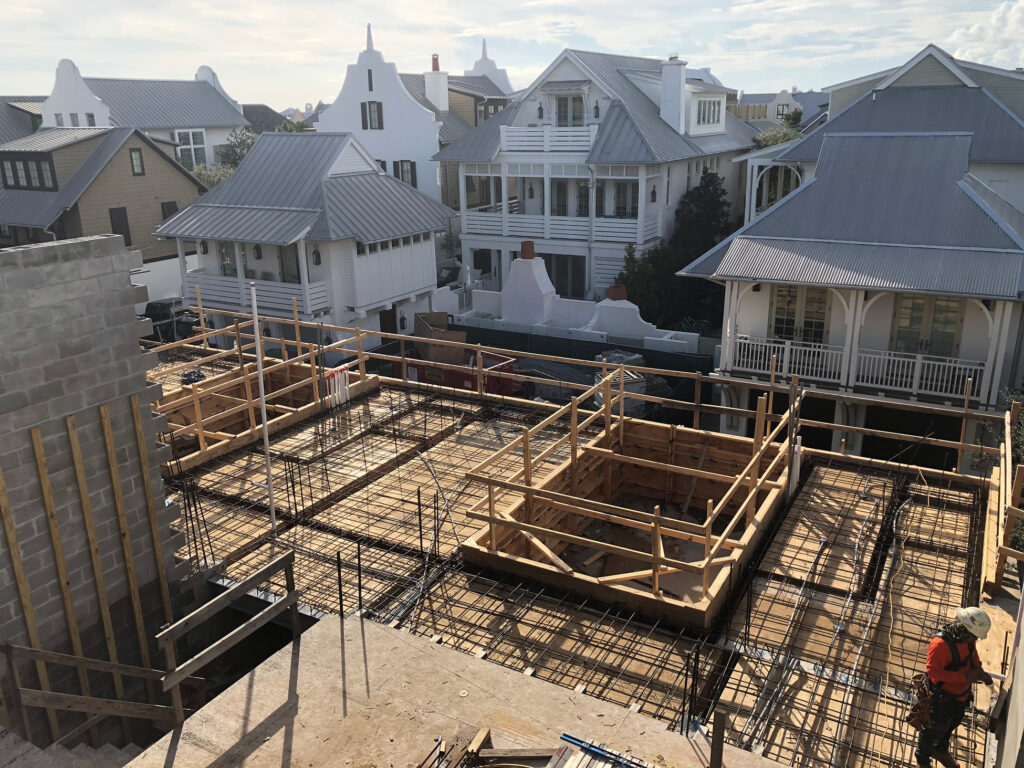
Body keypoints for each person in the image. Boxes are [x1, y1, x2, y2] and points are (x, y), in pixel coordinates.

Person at [915, 606, 994, 768]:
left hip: (960, 696)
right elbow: (934, 672)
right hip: (941, 699)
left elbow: (972, 655)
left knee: (951, 725)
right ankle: (922, 760)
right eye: (974, 637)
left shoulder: (968, 640)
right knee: (933, 730)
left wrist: (979, 670)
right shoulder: (940, 645)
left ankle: (940, 751)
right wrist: (964, 677)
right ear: (965, 631)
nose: (975, 640)